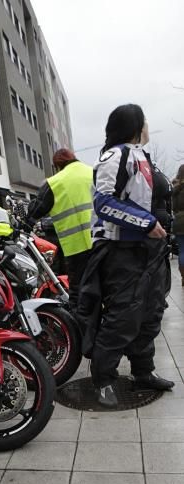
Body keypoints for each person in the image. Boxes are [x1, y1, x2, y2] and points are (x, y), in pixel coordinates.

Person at [76, 103, 174, 408]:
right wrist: (145, 223)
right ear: (134, 126)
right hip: (123, 253)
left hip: (151, 253)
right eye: (144, 121)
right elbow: (103, 203)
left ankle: (143, 371)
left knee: (151, 313)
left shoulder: (144, 157)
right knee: (122, 318)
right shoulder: (115, 155)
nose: (147, 126)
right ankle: (103, 379)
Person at [23, 148, 93, 310]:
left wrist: (23, 224)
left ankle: (81, 331)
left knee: (79, 293)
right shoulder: (93, 172)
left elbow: (35, 210)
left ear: (57, 166)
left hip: (76, 248)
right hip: (102, 242)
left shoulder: (54, 182)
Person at [172, 164, 184, 285]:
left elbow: (173, 207)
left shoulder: (175, 188)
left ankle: (183, 277)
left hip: (178, 221)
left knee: (182, 250)